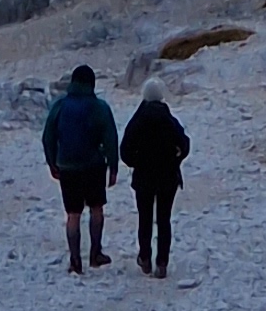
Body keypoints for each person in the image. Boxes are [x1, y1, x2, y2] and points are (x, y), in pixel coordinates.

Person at [41, 63, 119, 272]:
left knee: (73, 214)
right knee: (96, 208)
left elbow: (48, 136)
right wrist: (113, 166)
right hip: (93, 166)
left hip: (67, 166)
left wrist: (52, 162)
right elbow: (110, 138)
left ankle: (75, 260)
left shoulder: (60, 106)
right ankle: (95, 253)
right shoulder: (100, 107)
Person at [121, 86, 190, 275]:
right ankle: (162, 262)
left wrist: (138, 162)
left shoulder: (137, 121)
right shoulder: (169, 120)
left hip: (144, 178)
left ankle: (145, 257)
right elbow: (185, 144)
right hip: (168, 177)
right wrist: (175, 159)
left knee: (144, 219)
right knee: (164, 220)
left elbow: (125, 151)